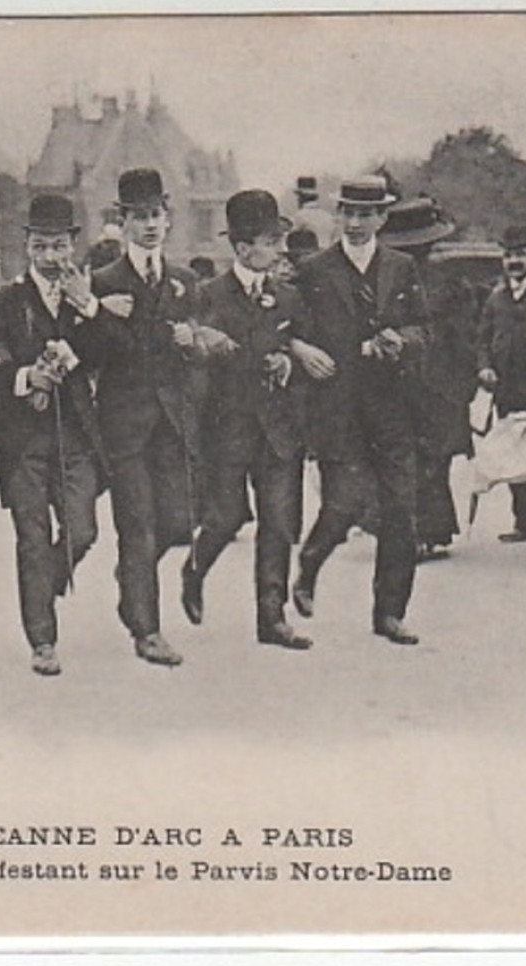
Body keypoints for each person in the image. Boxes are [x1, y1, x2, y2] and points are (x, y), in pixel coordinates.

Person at [288, 174, 431, 645]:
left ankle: (389, 612)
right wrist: (299, 347)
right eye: (347, 212)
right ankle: (310, 560)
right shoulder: (313, 270)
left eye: (365, 214)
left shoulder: (402, 267)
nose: (354, 222)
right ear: (338, 215)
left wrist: (400, 342)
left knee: (401, 512)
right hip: (336, 406)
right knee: (344, 505)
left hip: (392, 407)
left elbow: (423, 331)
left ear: (382, 218)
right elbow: (277, 320)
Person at [0, 193, 113, 676]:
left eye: (60, 246)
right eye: (42, 246)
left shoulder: (85, 294)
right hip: (22, 441)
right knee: (32, 539)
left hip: (76, 434)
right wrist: (22, 377)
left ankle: (53, 577)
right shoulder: (4, 301)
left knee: (84, 528)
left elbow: (111, 353)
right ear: (26, 246)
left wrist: (92, 310)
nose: (52, 257)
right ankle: (42, 639)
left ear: (73, 245)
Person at [180, 189, 312, 650]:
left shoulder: (290, 297)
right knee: (226, 516)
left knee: (278, 521)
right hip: (228, 427)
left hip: (277, 429)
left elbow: (298, 346)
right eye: (270, 242)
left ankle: (271, 617)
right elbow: (193, 356)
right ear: (241, 249)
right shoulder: (208, 296)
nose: (279, 251)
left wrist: (288, 362)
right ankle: (194, 570)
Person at [90, 167, 205, 667]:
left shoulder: (184, 281)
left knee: (179, 522)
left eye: (157, 215)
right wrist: (96, 313)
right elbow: (89, 352)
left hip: (173, 423)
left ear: (169, 218)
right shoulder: (103, 282)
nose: (150, 225)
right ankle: (147, 629)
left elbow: (197, 344)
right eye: (139, 218)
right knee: (137, 526)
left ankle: (129, 579)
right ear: (123, 223)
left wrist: (191, 341)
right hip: (125, 424)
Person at [379, 196, 469, 561]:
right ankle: (426, 532)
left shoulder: (393, 279)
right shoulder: (450, 281)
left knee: (418, 458)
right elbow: (464, 336)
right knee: (426, 459)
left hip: (422, 380)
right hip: (430, 382)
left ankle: (419, 532)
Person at [476, 225, 526, 546]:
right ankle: (525, 521)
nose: (514, 261)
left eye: (521, 254)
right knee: (513, 455)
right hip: (506, 390)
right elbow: (481, 339)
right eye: (509, 255)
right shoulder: (496, 298)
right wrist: (483, 367)